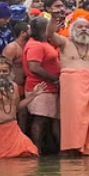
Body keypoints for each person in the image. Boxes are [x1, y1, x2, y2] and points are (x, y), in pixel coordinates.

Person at [47, 14, 89, 155]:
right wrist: (54, 19)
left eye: (86, 27)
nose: (83, 29)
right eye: (80, 27)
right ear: (72, 30)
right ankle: (72, 148)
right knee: (73, 118)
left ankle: (87, 149)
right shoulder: (65, 43)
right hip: (71, 87)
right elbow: (49, 34)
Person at [0, 56, 43, 159]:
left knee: (31, 152)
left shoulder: (14, 86)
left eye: (5, 71)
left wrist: (33, 95)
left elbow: (17, 108)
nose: (1, 74)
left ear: (10, 71)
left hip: (13, 128)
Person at [22, 17, 60, 153]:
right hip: (40, 87)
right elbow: (34, 67)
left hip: (48, 87)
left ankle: (51, 149)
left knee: (48, 120)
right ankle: (36, 150)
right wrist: (55, 78)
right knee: (40, 119)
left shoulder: (43, 43)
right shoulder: (35, 45)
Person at [2, 21, 30, 129]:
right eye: (30, 29)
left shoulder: (28, 46)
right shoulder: (12, 47)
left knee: (23, 114)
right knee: (11, 114)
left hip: (25, 86)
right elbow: (3, 68)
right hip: (13, 86)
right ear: (23, 33)